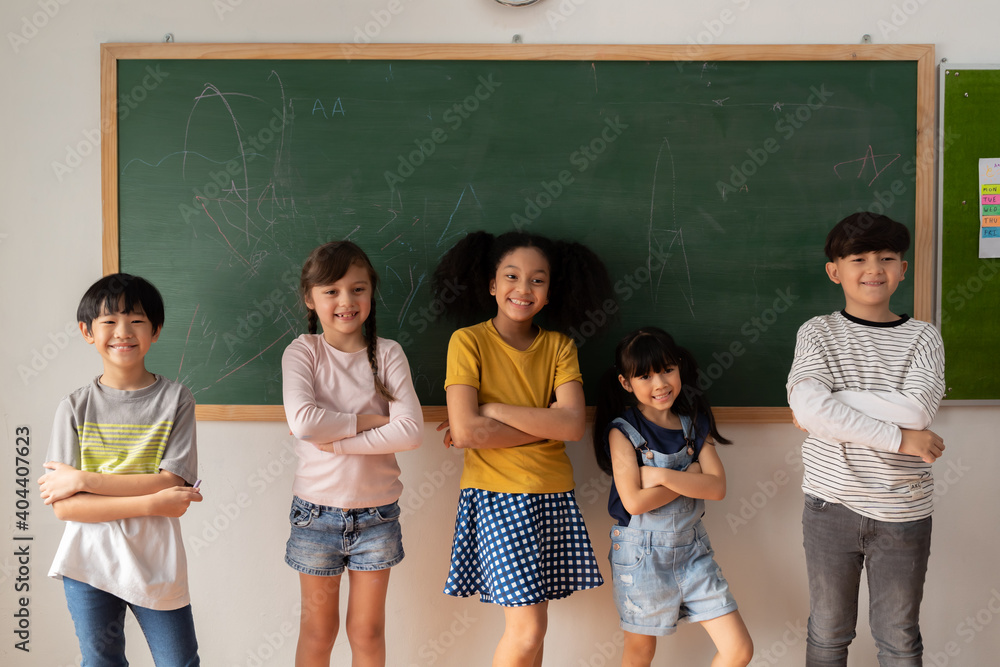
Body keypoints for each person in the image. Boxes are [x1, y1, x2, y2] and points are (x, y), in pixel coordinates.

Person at [434, 230, 613, 667]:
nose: (523, 288)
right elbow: (469, 432)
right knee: (527, 629)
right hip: (496, 497)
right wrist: (542, 423)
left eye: (538, 280)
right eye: (511, 276)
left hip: (552, 496)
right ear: (492, 285)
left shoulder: (559, 346)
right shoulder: (468, 341)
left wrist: (493, 407)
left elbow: (572, 424)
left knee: (536, 631)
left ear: (550, 292)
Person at [786, 212, 946, 667]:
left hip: (903, 510)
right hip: (829, 506)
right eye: (858, 258)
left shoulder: (923, 337)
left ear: (903, 270)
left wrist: (832, 401)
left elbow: (917, 411)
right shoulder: (817, 332)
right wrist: (901, 439)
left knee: (898, 637)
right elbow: (809, 409)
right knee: (828, 631)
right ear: (835, 271)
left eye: (887, 257)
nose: (873, 267)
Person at [39, 273, 203, 666]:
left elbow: (170, 482)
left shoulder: (176, 399)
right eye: (109, 321)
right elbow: (65, 508)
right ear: (87, 331)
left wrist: (82, 480)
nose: (123, 332)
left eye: (137, 320)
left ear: (156, 330)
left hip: (156, 558)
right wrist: (152, 503)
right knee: (101, 661)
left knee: (179, 662)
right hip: (88, 560)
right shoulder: (74, 407)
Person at [282, 240, 422, 667]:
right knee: (318, 631)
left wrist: (339, 442)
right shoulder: (303, 352)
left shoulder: (388, 353)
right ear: (311, 297)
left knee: (367, 631)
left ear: (371, 292)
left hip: (377, 515)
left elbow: (412, 431)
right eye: (332, 291)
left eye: (358, 289)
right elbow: (304, 422)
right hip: (316, 514)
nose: (346, 301)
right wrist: (373, 421)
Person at [592, 327, 753, 667]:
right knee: (640, 654)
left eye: (667, 370)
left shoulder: (694, 422)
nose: (660, 383)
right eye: (645, 376)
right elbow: (634, 502)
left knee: (738, 650)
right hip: (641, 556)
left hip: (694, 552)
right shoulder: (622, 431)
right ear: (626, 383)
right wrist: (691, 476)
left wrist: (660, 475)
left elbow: (718, 487)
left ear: (679, 367)